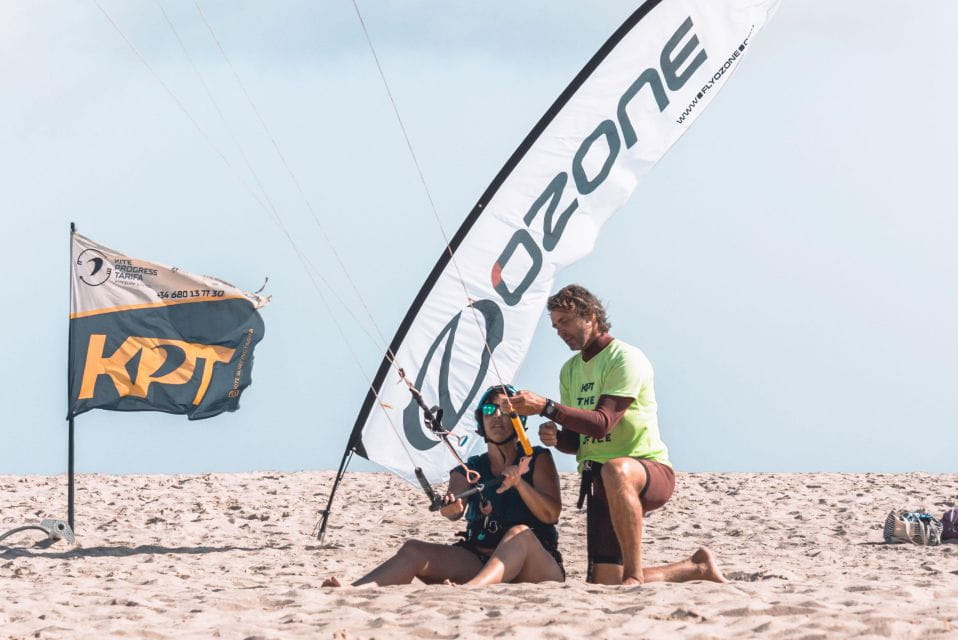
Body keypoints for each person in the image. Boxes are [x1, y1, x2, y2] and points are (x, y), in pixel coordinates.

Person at [509, 284, 727, 586]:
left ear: (590, 315)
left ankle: (635, 576)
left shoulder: (624, 358)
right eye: (556, 325)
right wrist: (556, 437)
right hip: (599, 479)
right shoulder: (569, 371)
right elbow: (577, 441)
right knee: (605, 583)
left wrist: (546, 407)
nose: (560, 331)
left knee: (615, 469)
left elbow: (602, 424)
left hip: (646, 470)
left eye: (566, 321)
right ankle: (695, 568)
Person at [322, 384, 564, 587]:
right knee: (413, 549)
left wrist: (520, 484)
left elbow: (550, 514)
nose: (496, 416)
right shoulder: (468, 470)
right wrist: (450, 508)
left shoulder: (537, 458)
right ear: (481, 420)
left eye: (504, 409)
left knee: (519, 534)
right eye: (489, 410)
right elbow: (454, 509)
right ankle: (355, 590)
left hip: (534, 565)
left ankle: (470, 590)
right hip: (479, 559)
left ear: (517, 419)